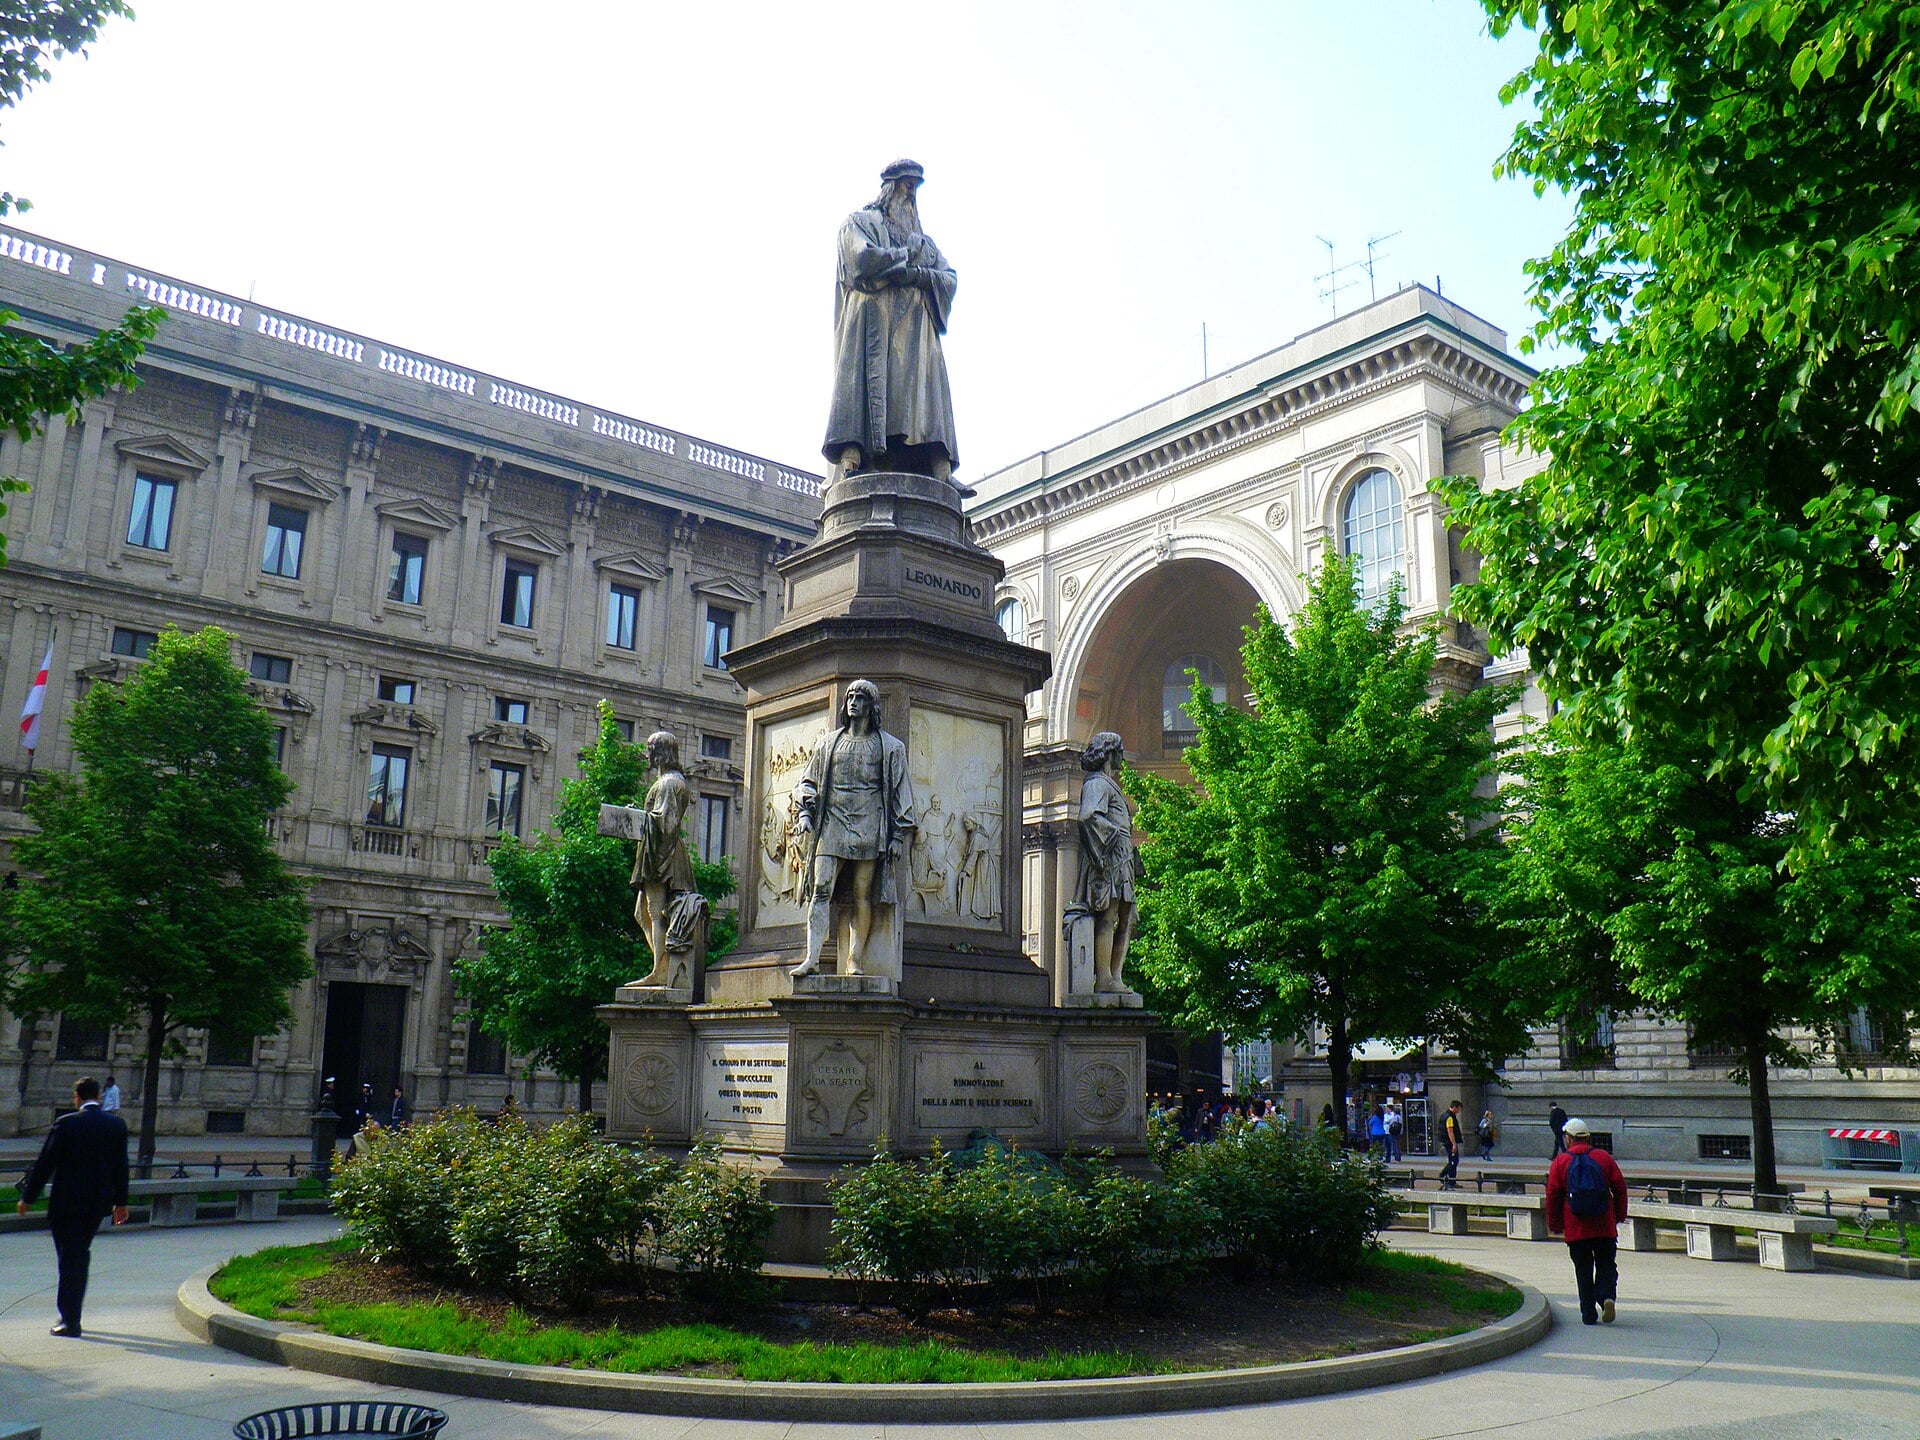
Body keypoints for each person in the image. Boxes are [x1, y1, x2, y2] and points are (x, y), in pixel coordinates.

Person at [824, 158, 960, 483]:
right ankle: (851, 453)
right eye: (905, 185)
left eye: (915, 189)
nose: (910, 194)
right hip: (871, 329)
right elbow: (860, 262)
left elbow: (949, 278)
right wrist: (901, 259)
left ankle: (936, 462)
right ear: (890, 187)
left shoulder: (923, 242)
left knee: (925, 379)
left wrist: (912, 274)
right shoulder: (859, 223)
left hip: (912, 335)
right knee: (861, 379)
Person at [790, 680, 916, 978]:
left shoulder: (891, 747)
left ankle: (854, 959)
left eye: (860, 697)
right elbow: (807, 781)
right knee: (820, 889)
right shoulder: (827, 743)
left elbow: (901, 792)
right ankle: (811, 957)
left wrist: (897, 835)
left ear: (872, 706)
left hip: (869, 826)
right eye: (850, 697)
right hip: (831, 824)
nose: (853, 702)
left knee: (863, 894)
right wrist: (805, 813)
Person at [17, 1077, 130, 1337]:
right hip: (96, 1204)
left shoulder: (67, 1124)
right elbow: (121, 1167)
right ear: (99, 1097)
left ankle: (70, 1319)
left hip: (66, 1203)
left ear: (76, 1096)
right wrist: (120, 1202)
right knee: (78, 1254)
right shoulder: (116, 1125)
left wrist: (29, 1197)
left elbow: (46, 1163)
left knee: (69, 1259)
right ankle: (70, 1314)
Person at [1064, 731, 1144, 996]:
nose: (1122, 755)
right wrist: (1111, 843)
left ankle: (1115, 977)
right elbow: (1088, 817)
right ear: (1110, 753)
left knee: (1127, 918)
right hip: (1110, 858)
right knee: (1108, 917)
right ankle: (1105, 979)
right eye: (1119, 749)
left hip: (1120, 857)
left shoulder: (1108, 784)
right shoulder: (1097, 783)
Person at [1545, 1117, 1629, 1325]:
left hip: (1576, 1227)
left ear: (1569, 1139)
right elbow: (1620, 1188)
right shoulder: (1603, 1158)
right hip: (1604, 1224)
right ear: (1588, 1137)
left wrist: (1555, 1224)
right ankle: (1606, 1296)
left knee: (1582, 1269)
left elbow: (1553, 1195)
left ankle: (1588, 1313)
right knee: (1606, 1264)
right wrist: (1618, 1215)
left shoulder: (1561, 1162)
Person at [1439, 1100, 1465, 1186]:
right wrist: (1454, 1144)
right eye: (1458, 1109)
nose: (1458, 1111)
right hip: (1449, 1142)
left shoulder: (1444, 1115)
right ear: (1454, 1107)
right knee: (1454, 1161)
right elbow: (1450, 1131)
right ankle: (1444, 1175)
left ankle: (1452, 1180)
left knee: (1453, 1160)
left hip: (1446, 1141)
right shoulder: (1450, 1117)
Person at [1383, 1096, 1403, 1163]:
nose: (1386, 1110)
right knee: (1390, 1145)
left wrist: (1387, 1122)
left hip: (1392, 1132)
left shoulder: (1394, 1116)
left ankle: (1397, 1158)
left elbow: (1390, 1121)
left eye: (1387, 1108)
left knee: (1394, 1145)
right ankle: (1390, 1158)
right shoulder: (1386, 1115)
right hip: (1388, 1132)